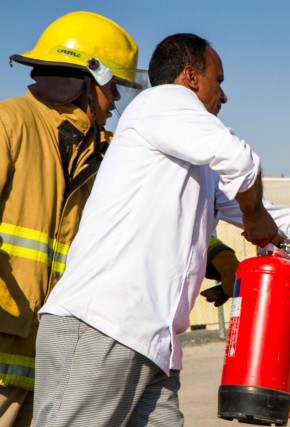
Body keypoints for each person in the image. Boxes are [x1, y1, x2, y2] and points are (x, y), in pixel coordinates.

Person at [33, 33, 290, 426]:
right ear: (191, 77)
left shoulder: (193, 164)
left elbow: (277, 218)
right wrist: (255, 213)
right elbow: (242, 163)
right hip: (101, 325)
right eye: (219, 81)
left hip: (150, 342)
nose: (224, 97)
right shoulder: (161, 103)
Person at [0, 11, 146, 427]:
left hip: (52, 361)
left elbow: (160, 204)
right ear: (89, 78)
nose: (116, 100)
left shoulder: (104, 151)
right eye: (113, 87)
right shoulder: (9, 123)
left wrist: (214, 251)